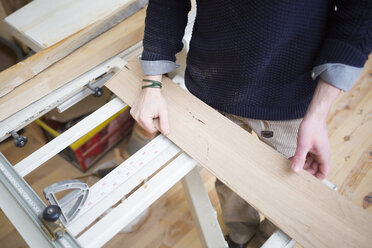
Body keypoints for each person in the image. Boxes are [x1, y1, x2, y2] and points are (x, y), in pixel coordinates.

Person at [129, 1, 372, 247]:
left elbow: (360, 15)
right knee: (230, 178)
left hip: (290, 97)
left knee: (292, 186)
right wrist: (151, 83)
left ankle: (266, 240)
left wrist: (318, 113)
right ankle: (240, 236)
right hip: (213, 85)